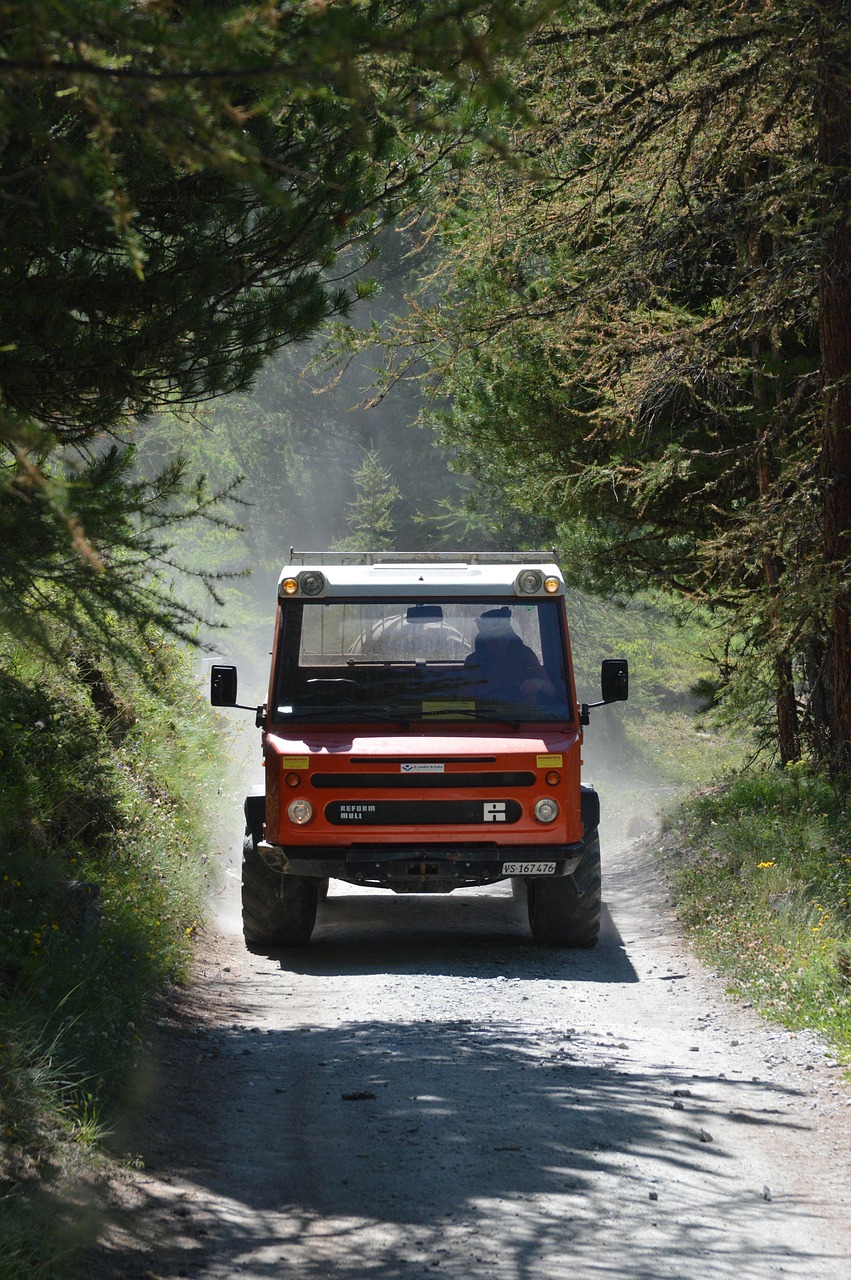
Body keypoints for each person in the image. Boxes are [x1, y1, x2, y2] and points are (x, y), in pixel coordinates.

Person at [464, 607, 555, 703]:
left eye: (503, 639)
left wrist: (538, 683)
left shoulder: (525, 655)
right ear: (483, 641)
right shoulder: (473, 661)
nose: (499, 645)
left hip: (524, 714)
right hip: (484, 714)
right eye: (493, 641)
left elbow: (551, 691)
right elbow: (465, 696)